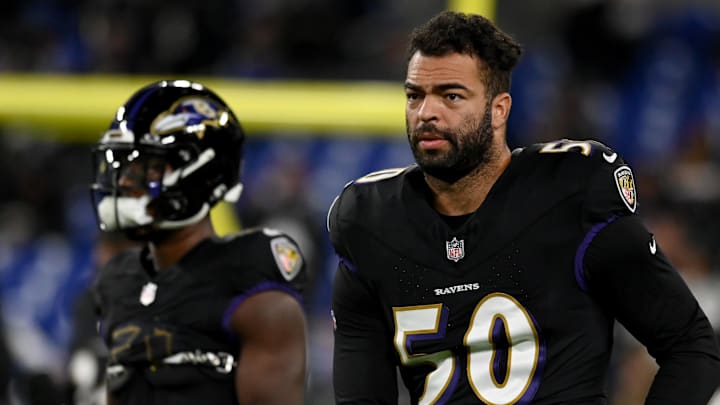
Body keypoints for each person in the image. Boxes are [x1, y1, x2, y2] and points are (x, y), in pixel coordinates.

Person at [328, 11, 720, 404]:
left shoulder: (570, 195)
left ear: (499, 109)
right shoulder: (371, 222)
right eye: (415, 95)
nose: (427, 112)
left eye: (451, 96)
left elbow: (690, 344)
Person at [89, 80, 307, 405]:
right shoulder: (117, 280)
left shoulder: (249, 279)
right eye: (123, 167)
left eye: (145, 168)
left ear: (202, 171)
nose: (124, 183)